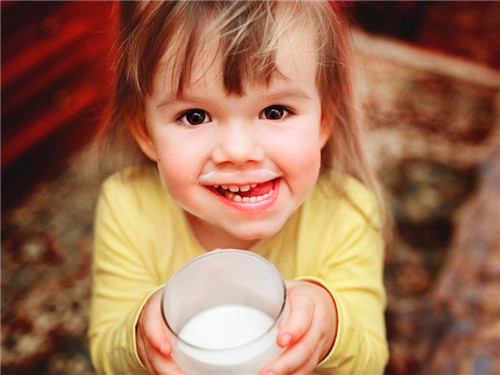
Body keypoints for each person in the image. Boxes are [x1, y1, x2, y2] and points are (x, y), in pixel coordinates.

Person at [89, 1, 389, 374]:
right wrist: (136, 337)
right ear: (145, 132)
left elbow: (371, 360)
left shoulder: (346, 212)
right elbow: (105, 352)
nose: (239, 152)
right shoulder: (128, 206)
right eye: (195, 116)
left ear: (324, 120)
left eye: (275, 111)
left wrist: (330, 327)